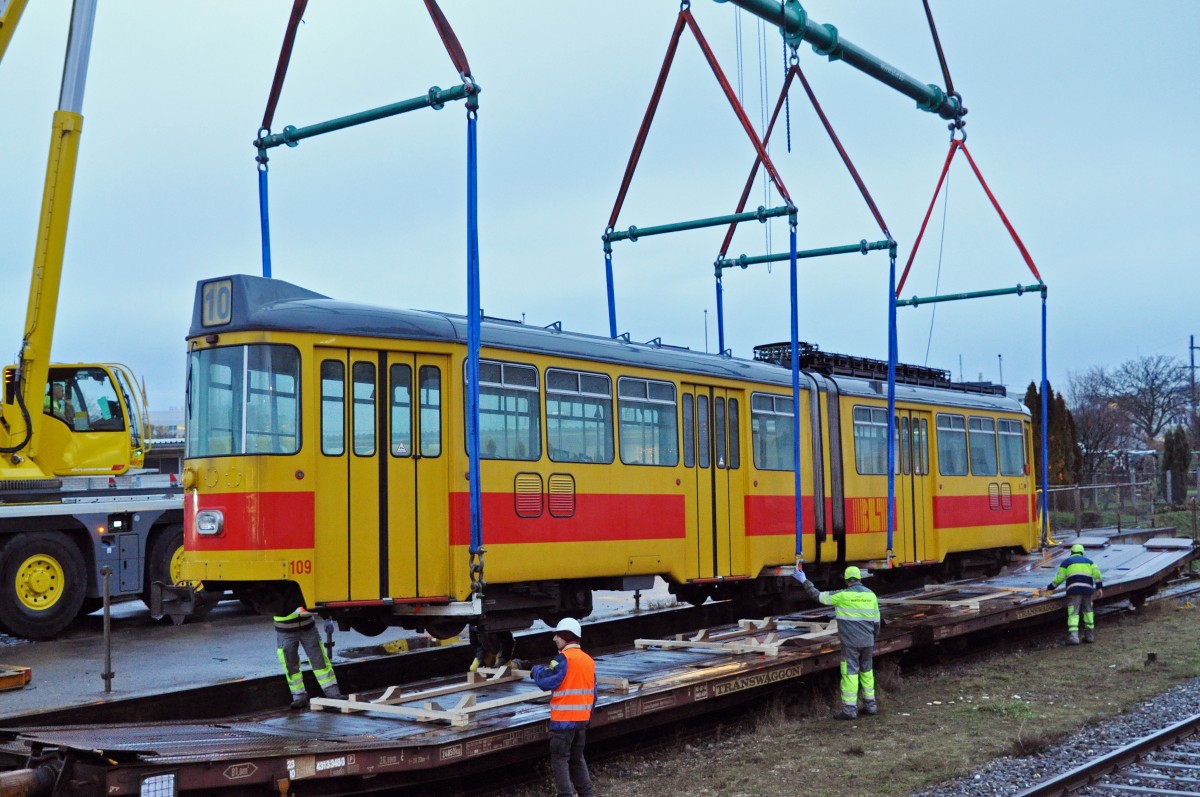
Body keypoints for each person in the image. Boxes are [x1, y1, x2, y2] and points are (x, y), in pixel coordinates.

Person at [793, 565, 881, 720]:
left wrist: (804, 580)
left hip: (851, 644)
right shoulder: (871, 595)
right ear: (860, 578)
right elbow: (876, 622)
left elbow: (818, 596)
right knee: (867, 672)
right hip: (868, 641)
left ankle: (849, 710)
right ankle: (871, 706)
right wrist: (872, 638)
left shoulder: (842, 596)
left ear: (846, 580)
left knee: (850, 674)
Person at [530, 617, 595, 797]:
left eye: (557, 635)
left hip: (563, 723)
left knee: (560, 760)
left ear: (566, 636)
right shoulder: (588, 661)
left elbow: (546, 680)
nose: (554, 639)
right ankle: (587, 794)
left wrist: (534, 670)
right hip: (581, 722)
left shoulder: (563, 659)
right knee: (577, 759)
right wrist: (587, 718)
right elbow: (593, 693)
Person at [274, 606, 343, 708]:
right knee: (290, 664)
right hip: (286, 629)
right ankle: (299, 696)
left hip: (307, 627)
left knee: (319, 661)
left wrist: (327, 617)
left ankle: (332, 693)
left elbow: (316, 601)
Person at [1046, 543, 1104, 644]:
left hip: (1074, 591)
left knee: (1073, 612)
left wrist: (1050, 588)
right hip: (1087, 590)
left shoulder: (1066, 562)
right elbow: (1097, 575)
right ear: (1082, 552)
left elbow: (1059, 578)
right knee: (1088, 611)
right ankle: (1090, 636)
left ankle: (1074, 637)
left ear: (1072, 552)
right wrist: (1099, 588)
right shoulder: (1090, 562)